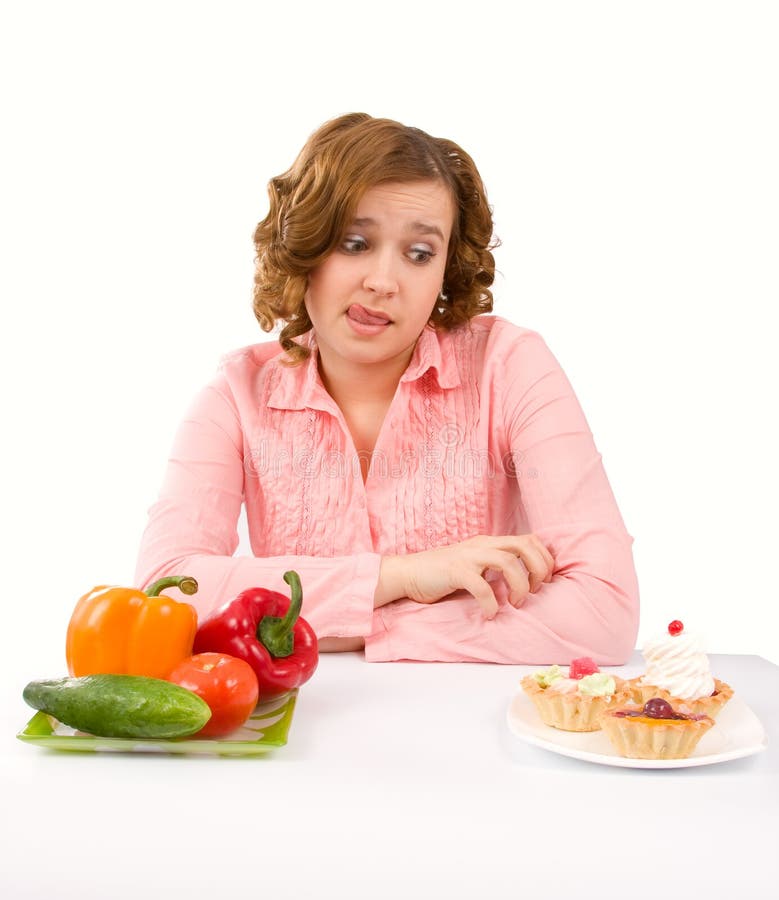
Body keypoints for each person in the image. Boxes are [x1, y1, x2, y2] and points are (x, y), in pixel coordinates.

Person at [134, 112, 639, 664]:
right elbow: (165, 590)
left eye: (419, 254)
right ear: (306, 245)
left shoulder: (511, 366)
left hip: (477, 728)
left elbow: (604, 611)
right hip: (306, 726)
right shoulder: (235, 396)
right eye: (354, 243)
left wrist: (347, 626)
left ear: (446, 270)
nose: (383, 281)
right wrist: (404, 576)